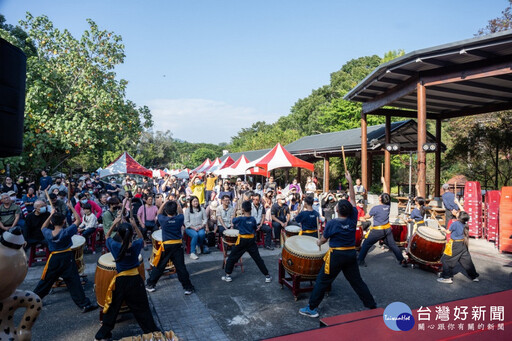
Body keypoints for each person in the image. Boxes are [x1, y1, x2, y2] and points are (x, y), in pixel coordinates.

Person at [299, 171, 376, 318]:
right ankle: (371, 304)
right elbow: (353, 199)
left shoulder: (333, 223)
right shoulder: (353, 219)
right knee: (357, 281)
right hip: (350, 254)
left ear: (337, 209)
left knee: (322, 281)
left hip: (336, 256)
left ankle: (311, 308)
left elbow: (323, 240)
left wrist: (318, 241)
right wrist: (350, 181)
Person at [95, 220, 160, 340]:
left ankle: (102, 335)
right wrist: (135, 226)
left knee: (112, 309)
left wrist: (114, 223)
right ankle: (153, 333)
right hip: (135, 280)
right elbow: (142, 239)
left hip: (120, 282)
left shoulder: (114, 246)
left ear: (119, 235)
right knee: (143, 309)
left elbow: (107, 236)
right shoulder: (136, 245)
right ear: (132, 234)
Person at [33, 201, 97, 313]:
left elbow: (43, 226)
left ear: (52, 223)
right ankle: (84, 304)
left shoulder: (48, 233)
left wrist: (51, 215)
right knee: (74, 282)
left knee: (46, 281)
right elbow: (78, 220)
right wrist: (71, 207)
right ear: (64, 221)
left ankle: (32, 300)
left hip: (54, 258)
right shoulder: (67, 232)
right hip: (67, 257)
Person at [146, 200, 195, 294]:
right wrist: (177, 203)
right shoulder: (180, 218)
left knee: (160, 266)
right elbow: (181, 212)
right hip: (177, 246)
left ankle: (150, 285)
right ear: (175, 210)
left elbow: (159, 212)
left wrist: (163, 204)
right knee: (181, 267)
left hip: (166, 246)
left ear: (166, 211)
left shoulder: (163, 220)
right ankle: (188, 288)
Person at [357, 177, 407, 268]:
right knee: (392, 245)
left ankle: (360, 260)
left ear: (380, 199)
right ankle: (402, 260)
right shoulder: (388, 205)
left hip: (377, 231)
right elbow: (386, 193)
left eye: (380, 196)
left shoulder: (375, 208)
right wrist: (384, 182)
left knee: (366, 244)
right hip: (387, 229)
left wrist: (361, 218)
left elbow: (367, 217)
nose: (380, 195)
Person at [222, 200, 272, 283]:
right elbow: (255, 228)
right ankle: (267, 275)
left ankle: (228, 275)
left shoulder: (240, 219)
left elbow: (232, 221)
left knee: (232, 257)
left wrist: (234, 210)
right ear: (251, 209)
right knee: (257, 259)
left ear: (242, 210)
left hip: (242, 241)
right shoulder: (252, 219)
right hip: (251, 241)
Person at [437, 211, 479, 284]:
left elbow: (448, 232)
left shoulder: (455, 223)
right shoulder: (465, 224)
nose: (456, 213)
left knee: (446, 259)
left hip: (455, 244)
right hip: (463, 243)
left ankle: (447, 277)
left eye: (457, 213)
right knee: (467, 261)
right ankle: (474, 276)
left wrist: (443, 229)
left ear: (459, 217)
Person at [184, 195, 209, 260]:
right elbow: (186, 222)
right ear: (191, 202)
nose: (196, 203)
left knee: (202, 234)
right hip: (190, 228)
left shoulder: (202, 209)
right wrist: (193, 228)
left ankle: (198, 245)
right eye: (194, 201)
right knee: (195, 235)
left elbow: (205, 219)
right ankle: (192, 253)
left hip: (200, 227)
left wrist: (202, 226)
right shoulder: (188, 210)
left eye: (197, 201)